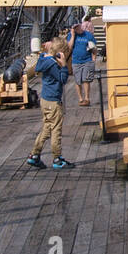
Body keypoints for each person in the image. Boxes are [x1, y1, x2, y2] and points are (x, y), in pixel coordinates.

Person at [27, 38, 74, 168]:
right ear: (60, 53)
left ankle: (34, 155)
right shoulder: (53, 64)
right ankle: (57, 158)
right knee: (56, 130)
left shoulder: (44, 59)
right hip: (53, 101)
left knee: (47, 128)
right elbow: (62, 79)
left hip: (45, 100)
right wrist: (63, 65)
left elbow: (39, 65)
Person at [67, 18, 97, 107]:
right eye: (75, 28)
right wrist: (73, 35)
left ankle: (87, 98)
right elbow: (69, 47)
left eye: (78, 27)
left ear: (81, 26)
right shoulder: (71, 35)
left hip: (87, 60)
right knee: (77, 80)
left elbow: (94, 47)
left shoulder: (88, 35)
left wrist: (94, 59)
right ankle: (80, 98)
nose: (77, 29)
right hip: (76, 61)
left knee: (86, 79)